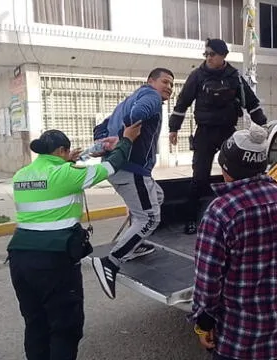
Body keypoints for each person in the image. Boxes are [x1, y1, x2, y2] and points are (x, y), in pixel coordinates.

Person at [7, 123, 141, 360]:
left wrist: (74, 158)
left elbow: (53, 180)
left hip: (20, 257)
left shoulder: (21, 175)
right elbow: (111, 166)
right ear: (61, 151)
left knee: (35, 322)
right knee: (65, 327)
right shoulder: (67, 175)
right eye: (66, 152)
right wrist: (127, 140)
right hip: (54, 260)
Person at [189, 123, 277, 360]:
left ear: (226, 168)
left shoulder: (221, 212)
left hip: (238, 343)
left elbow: (207, 281)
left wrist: (204, 323)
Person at [168, 38, 268, 235]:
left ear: (223, 55)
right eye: (206, 54)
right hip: (204, 132)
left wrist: (263, 124)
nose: (208, 57)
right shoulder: (197, 76)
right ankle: (190, 218)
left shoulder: (234, 77)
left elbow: (251, 102)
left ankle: (238, 215)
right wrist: (174, 128)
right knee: (199, 178)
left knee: (238, 174)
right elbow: (183, 102)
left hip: (227, 132)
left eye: (212, 54)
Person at [91, 67, 174, 300]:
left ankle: (134, 244)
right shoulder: (150, 97)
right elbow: (137, 114)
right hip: (132, 170)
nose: (168, 87)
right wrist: (125, 134)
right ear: (151, 81)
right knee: (150, 218)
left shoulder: (126, 101)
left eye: (171, 84)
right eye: (165, 82)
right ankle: (110, 261)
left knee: (156, 198)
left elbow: (101, 129)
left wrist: (112, 140)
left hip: (121, 169)